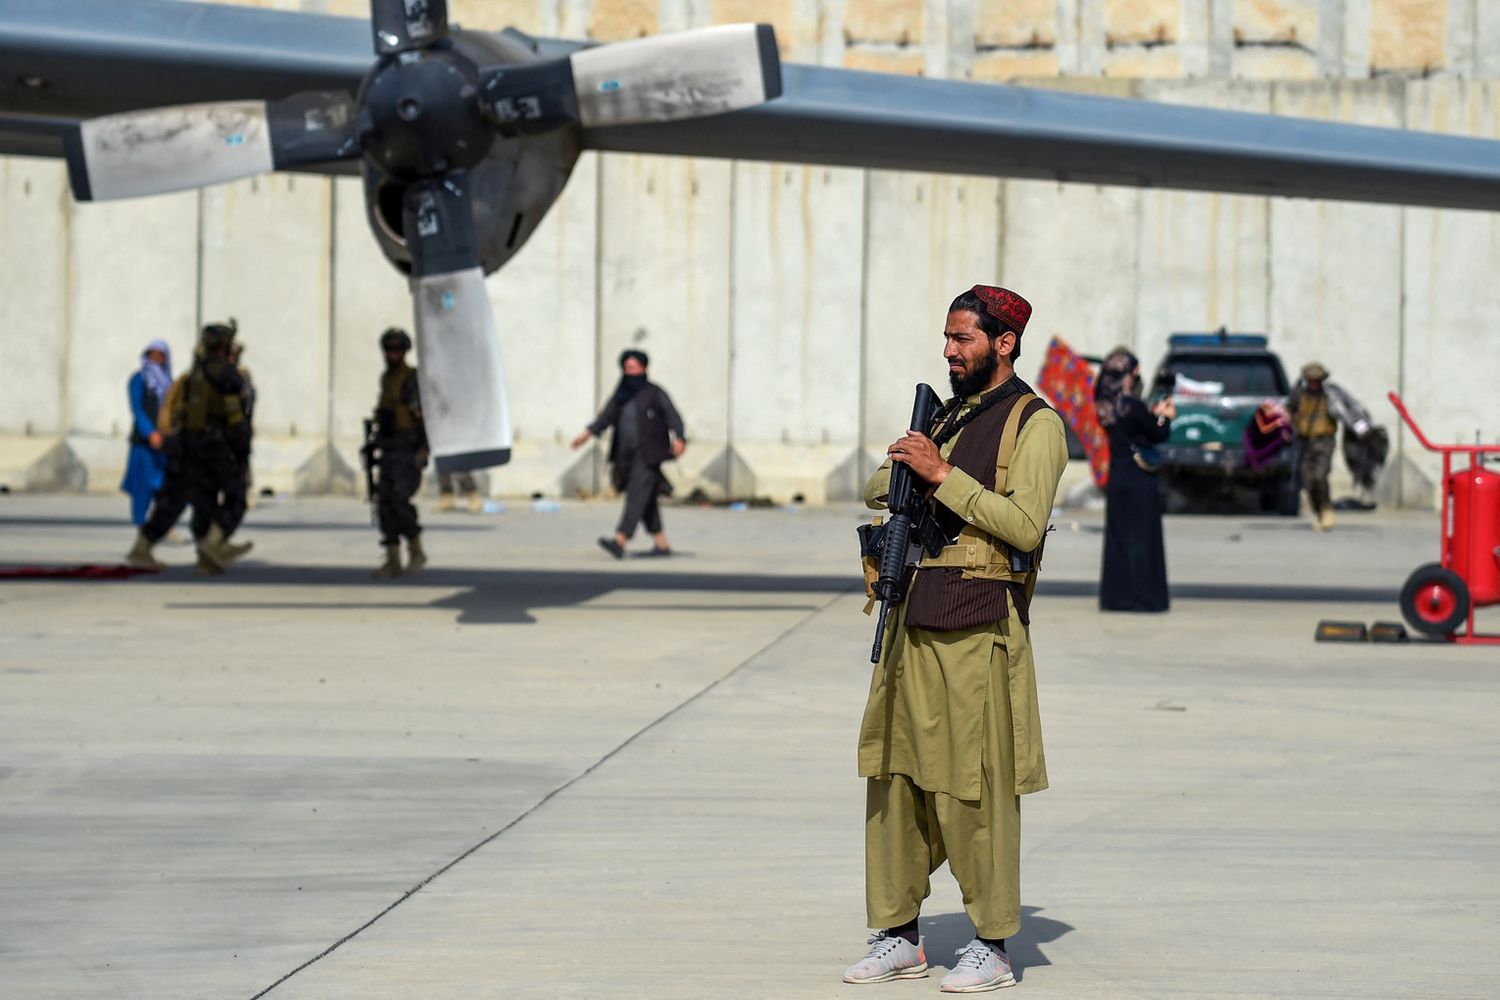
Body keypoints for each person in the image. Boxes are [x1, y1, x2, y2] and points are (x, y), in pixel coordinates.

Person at [845, 285, 1068, 993]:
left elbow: (1024, 526)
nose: (949, 350)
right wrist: (913, 464)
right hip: (912, 612)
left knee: (977, 790)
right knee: (896, 779)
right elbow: (880, 484)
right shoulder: (944, 414)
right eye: (946, 338)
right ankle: (899, 936)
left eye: (963, 339)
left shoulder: (1036, 424)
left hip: (978, 623)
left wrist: (940, 474)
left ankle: (995, 945)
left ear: (1004, 343)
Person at [125, 321, 254, 575]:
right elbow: (235, 418)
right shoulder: (225, 376)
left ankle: (191, 553)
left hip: (187, 447)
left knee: (190, 500)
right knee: (235, 498)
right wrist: (242, 451)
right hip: (215, 448)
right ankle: (213, 544)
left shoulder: (193, 375)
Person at [570, 349, 686, 558]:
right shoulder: (621, 395)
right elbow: (605, 418)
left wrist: (679, 437)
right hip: (624, 455)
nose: (630, 371)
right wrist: (586, 435)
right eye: (627, 367)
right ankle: (661, 544)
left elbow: (673, 416)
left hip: (649, 453)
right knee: (645, 497)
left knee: (636, 495)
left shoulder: (654, 393)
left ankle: (620, 539)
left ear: (643, 368)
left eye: (634, 367)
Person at [1095, 348, 1174, 612]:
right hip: (1140, 480)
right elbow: (1157, 432)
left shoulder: (1104, 406)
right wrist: (1165, 416)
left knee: (1118, 540)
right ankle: (1143, 597)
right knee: (1142, 540)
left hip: (1118, 478)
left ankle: (1116, 598)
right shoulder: (1133, 407)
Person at [1288, 362, 1378, 528]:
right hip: (1304, 442)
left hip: (1324, 442)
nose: (1314, 383)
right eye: (1311, 380)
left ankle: (1326, 508)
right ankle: (1319, 512)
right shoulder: (1298, 394)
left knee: (1320, 476)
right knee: (1308, 480)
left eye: (1317, 380)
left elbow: (1351, 412)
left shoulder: (1332, 394)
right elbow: (1288, 411)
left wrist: (1364, 431)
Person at [369, 328, 428, 578]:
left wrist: (424, 449)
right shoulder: (387, 378)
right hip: (389, 447)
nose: (392, 355)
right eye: (388, 350)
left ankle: (416, 549)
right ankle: (392, 558)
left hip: (408, 448)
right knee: (384, 503)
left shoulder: (411, 379)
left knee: (400, 501)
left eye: (396, 350)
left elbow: (422, 416)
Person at [120, 340, 172, 527]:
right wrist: (150, 433)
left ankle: (161, 524)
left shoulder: (168, 382)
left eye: (161, 355)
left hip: (164, 444)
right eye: (153, 354)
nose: (156, 358)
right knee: (142, 486)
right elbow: (137, 409)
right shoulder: (139, 379)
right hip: (145, 443)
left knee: (164, 486)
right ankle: (141, 526)